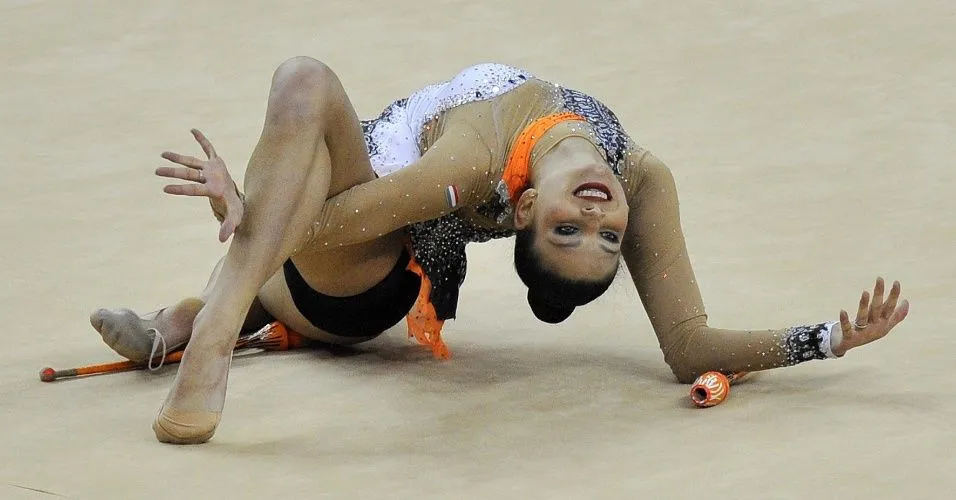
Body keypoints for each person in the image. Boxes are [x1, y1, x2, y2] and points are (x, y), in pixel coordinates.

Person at [90, 59, 909, 445]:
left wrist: (826, 342)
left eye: (570, 233)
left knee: (304, 84)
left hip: (354, 282)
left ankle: (208, 338)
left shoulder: (475, 160)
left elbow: (687, 347)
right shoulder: (640, 171)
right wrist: (255, 206)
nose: (597, 218)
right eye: (603, 234)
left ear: (524, 205)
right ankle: (193, 318)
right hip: (312, 257)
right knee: (308, 109)